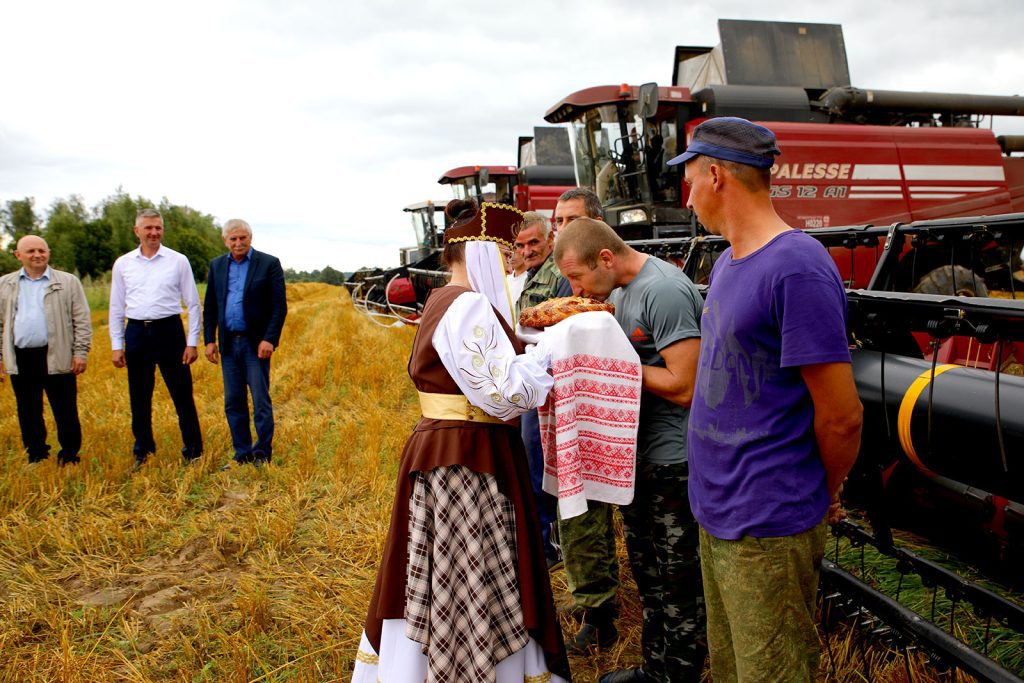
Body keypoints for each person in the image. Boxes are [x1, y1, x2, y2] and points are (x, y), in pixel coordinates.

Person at [671, 117, 863, 682]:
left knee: (772, 673)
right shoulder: (730, 262)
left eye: (689, 181)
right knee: (733, 667)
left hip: (768, 518)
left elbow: (842, 415)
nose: (687, 197)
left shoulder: (796, 266)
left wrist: (822, 490)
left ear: (715, 175)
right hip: (718, 509)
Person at [352, 199, 570, 683]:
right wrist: (553, 348)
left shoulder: (439, 299)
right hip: (466, 457)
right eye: (502, 252)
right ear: (478, 253)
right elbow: (505, 393)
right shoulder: (468, 303)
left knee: (449, 568)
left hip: (451, 447)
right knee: (467, 569)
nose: (510, 261)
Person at [555, 218, 707, 683]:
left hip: (673, 461)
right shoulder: (618, 293)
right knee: (649, 576)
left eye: (578, 277)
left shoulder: (663, 291)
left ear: (605, 258)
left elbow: (686, 384)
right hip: (639, 458)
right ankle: (655, 670)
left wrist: (613, 367)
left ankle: (678, 675)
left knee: (679, 583)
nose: (576, 288)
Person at [540, 188, 624, 655]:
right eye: (558, 220)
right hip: (574, 415)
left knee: (591, 519)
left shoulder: (614, 283)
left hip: (606, 421)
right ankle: (594, 600)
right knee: (577, 518)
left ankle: (602, 614)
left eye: (571, 219)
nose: (562, 228)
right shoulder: (567, 283)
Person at [110, 208, 204, 468]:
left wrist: (192, 342)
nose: (154, 232)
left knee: (182, 394)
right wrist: (118, 345)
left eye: (158, 228)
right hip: (137, 332)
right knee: (139, 396)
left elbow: (193, 304)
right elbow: (116, 307)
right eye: (148, 228)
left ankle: (193, 450)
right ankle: (143, 450)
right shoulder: (123, 264)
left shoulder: (178, 260)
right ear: (137, 231)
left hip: (169, 331)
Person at [513, 210, 571, 576]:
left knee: (540, 465)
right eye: (521, 244)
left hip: (548, 384)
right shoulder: (529, 276)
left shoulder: (560, 277)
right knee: (530, 461)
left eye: (534, 242)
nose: (528, 250)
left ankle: (550, 547)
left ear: (550, 240)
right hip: (531, 381)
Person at [0, 235, 92, 465]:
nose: (37, 255)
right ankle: (37, 454)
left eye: (41, 250)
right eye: (30, 251)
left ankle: (70, 454)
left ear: (48, 253)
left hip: (57, 354)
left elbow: (81, 319)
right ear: (18, 255)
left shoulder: (68, 282)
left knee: (65, 409)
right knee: (28, 410)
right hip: (21, 356)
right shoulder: (5, 285)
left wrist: (80, 352)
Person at [203, 219, 287, 468]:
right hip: (229, 345)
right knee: (233, 401)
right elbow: (210, 306)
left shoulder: (268, 264)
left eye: (243, 238)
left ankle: (262, 453)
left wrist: (269, 339)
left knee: (260, 401)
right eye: (233, 239)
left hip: (255, 346)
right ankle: (242, 453)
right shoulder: (217, 266)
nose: (238, 243)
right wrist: (209, 340)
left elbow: (278, 307)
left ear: (250, 238)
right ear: (225, 241)